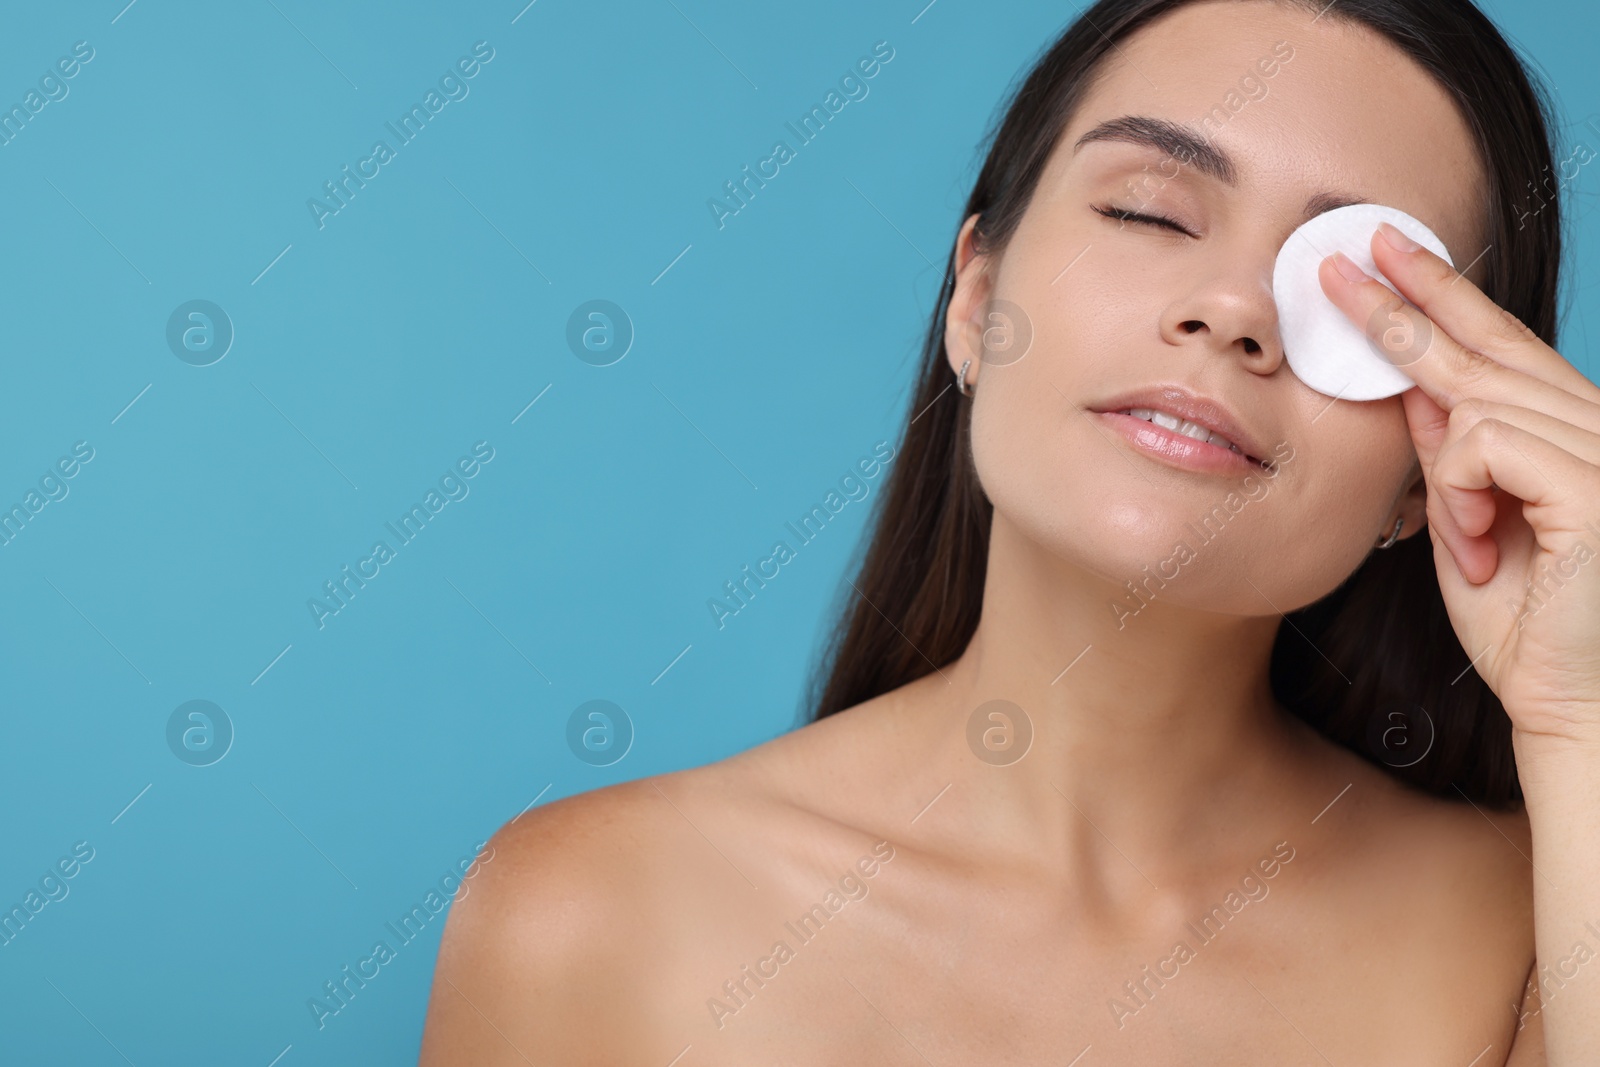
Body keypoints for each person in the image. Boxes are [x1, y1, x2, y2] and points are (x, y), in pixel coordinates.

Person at [419, 0, 1600, 1061]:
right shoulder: (593, 911)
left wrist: (1582, 713)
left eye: (1355, 299)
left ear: (1427, 464)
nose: (1235, 310)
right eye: (1148, 210)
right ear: (977, 302)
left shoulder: (1531, 937)